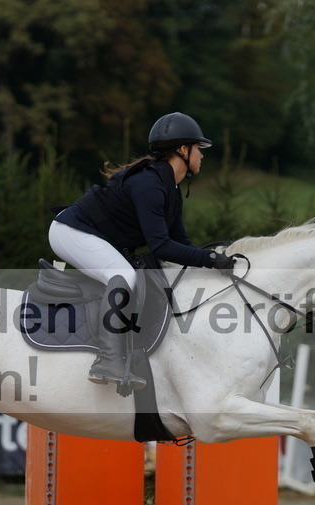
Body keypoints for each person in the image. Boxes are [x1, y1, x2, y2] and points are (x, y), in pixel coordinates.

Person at [49, 112, 236, 392]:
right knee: (123, 274)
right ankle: (107, 360)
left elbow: (180, 242)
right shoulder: (150, 185)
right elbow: (161, 246)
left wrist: (215, 258)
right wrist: (209, 259)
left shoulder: (168, 188)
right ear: (183, 150)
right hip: (72, 232)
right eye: (198, 149)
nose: (202, 155)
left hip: (92, 234)